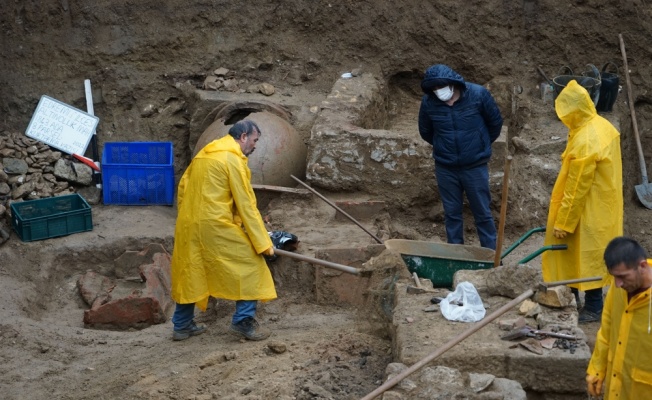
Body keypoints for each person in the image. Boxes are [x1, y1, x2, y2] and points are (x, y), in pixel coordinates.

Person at [169, 119, 276, 341]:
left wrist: (188, 218)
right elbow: (246, 204)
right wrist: (263, 243)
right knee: (251, 266)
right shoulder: (232, 160)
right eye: (254, 140)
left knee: (192, 270)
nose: (255, 146)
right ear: (243, 136)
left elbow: (183, 188)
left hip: (188, 224)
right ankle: (242, 322)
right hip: (215, 224)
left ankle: (181, 326)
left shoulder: (204, 154)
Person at [541, 80, 623, 324]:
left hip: (586, 209)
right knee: (585, 254)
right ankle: (572, 294)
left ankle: (594, 306)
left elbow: (576, 188)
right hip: (604, 204)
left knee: (586, 257)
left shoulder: (586, 140)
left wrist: (564, 222)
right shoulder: (601, 125)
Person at [418, 64, 504, 249]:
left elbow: (495, 123)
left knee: (482, 212)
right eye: (433, 89)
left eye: (440, 87)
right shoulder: (429, 103)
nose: (437, 91)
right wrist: (445, 147)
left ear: (452, 83)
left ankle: (491, 257)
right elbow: (425, 131)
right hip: (446, 167)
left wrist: (479, 144)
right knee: (451, 214)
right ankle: (456, 257)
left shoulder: (478, 95)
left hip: (475, 166)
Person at [586, 236, 652, 399]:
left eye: (622, 276)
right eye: (614, 276)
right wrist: (597, 369)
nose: (617, 284)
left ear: (642, 266)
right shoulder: (620, 289)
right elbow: (607, 329)